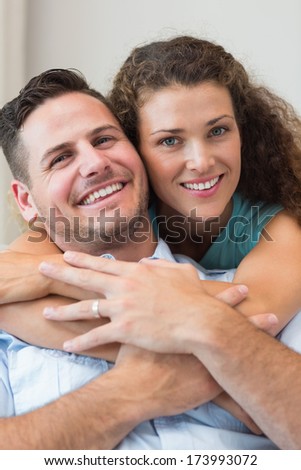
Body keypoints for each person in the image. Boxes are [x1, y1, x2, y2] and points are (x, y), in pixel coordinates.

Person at [0, 68, 273, 449]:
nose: (94, 163)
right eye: (61, 158)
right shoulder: (8, 319)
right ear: (27, 202)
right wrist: (131, 393)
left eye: (105, 139)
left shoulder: (247, 293)